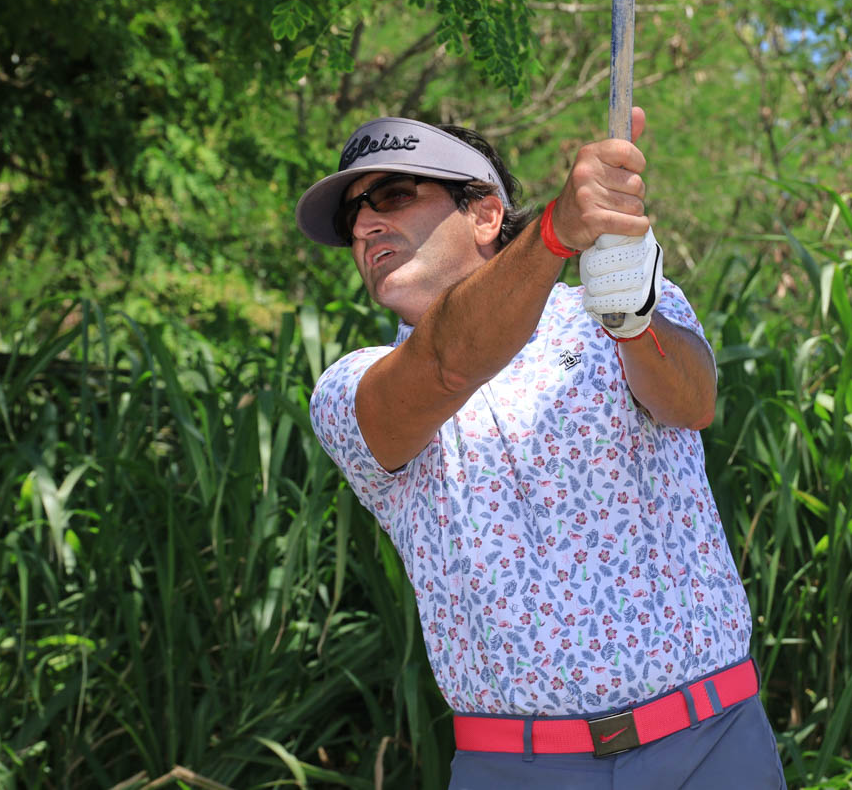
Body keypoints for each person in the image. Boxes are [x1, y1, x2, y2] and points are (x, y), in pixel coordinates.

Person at [296, 109, 786, 789]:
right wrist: (557, 231)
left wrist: (633, 320)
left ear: (485, 214)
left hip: (713, 744)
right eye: (353, 214)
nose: (364, 225)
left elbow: (694, 401)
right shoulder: (350, 386)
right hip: (516, 769)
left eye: (394, 195)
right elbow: (447, 363)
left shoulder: (609, 305)